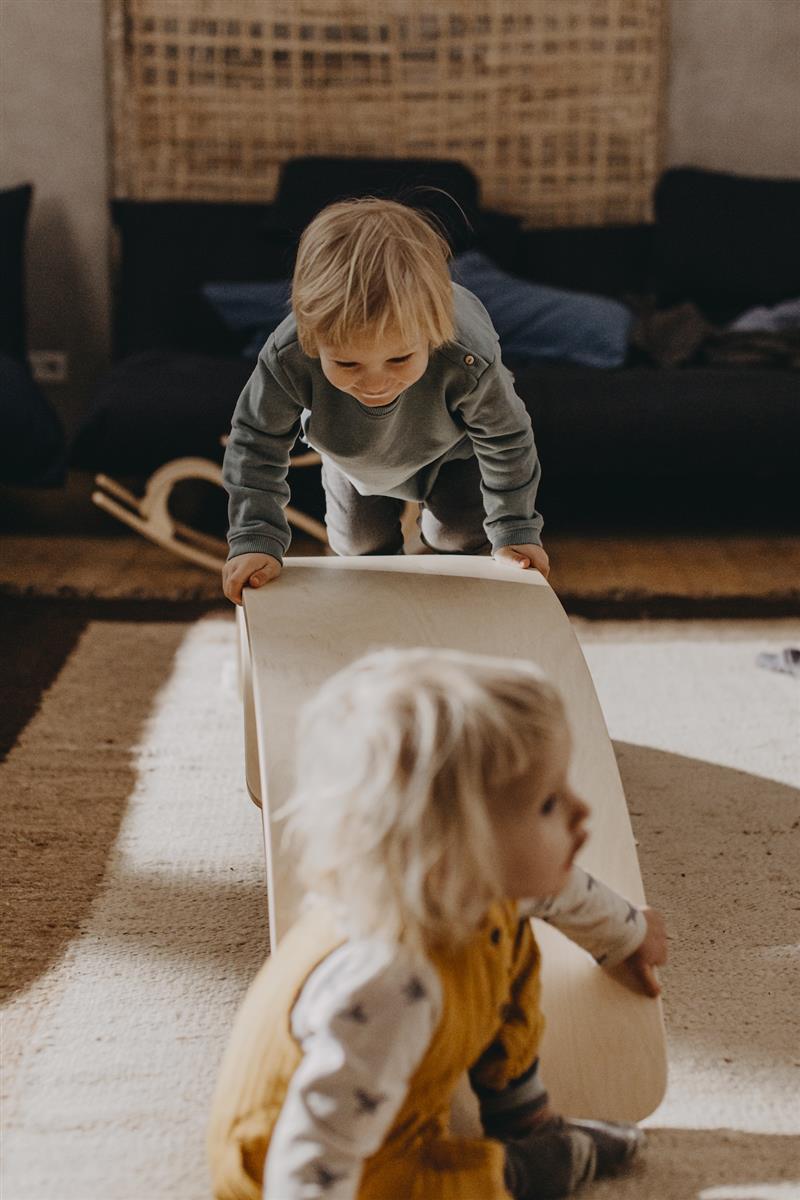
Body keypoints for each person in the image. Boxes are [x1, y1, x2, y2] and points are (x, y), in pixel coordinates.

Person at [208, 648, 667, 1199]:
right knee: (449, 1187)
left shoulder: (469, 887)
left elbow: (559, 889)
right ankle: (533, 1167)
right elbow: (315, 1151)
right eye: (548, 803)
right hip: (319, 1169)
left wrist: (626, 935)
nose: (581, 811)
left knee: (511, 932)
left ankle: (522, 1115)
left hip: (378, 1120)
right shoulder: (388, 983)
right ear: (453, 849)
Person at [221, 198, 549, 605]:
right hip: (352, 454)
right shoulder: (288, 356)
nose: (376, 383)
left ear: (431, 333)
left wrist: (515, 528)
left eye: (399, 358)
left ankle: (442, 587)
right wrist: (256, 538)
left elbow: (507, 438)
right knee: (359, 550)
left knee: (461, 536)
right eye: (346, 362)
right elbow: (256, 442)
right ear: (312, 338)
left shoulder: (466, 356)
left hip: (453, 451)